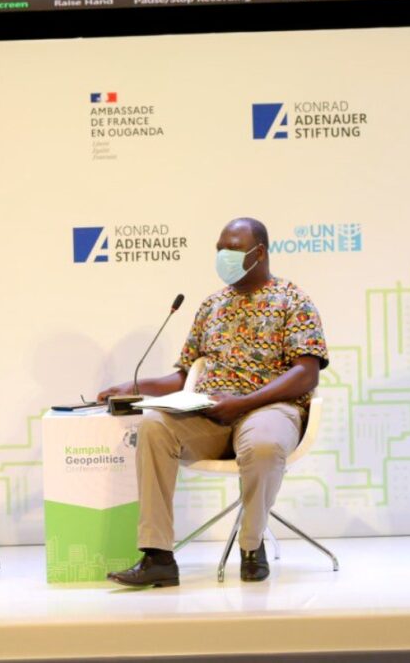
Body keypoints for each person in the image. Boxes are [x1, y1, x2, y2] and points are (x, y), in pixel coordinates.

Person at [99, 217, 329, 586]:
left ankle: (251, 547)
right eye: (219, 248)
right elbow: (183, 374)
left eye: (233, 249)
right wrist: (133, 384)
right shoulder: (211, 306)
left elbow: (307, 372)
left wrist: (243, 403)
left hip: (269, 408)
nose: (223, 256)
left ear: (259, 253)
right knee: (155, 426)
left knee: (265, 444)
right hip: (208, 412)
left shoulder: (293, 300)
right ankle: (158, 556)